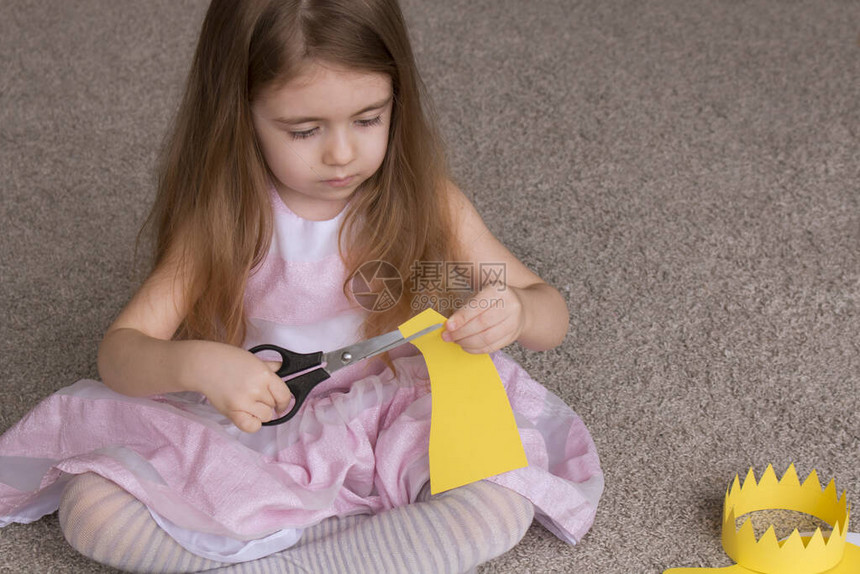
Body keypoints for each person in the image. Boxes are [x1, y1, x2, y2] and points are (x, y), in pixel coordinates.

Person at [0, 1, 603, 572]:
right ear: (241, 116)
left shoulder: (431, 204)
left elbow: (550, 312)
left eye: (369, 118)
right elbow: (120, 352)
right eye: (303, 130)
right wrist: (195, 365)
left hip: (397, 412)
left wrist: (516, 312)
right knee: (93, 509)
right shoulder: (230, 218)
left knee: (501, 501)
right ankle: (367, 553)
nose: (342, 153)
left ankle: (282, 556)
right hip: (257, 429)